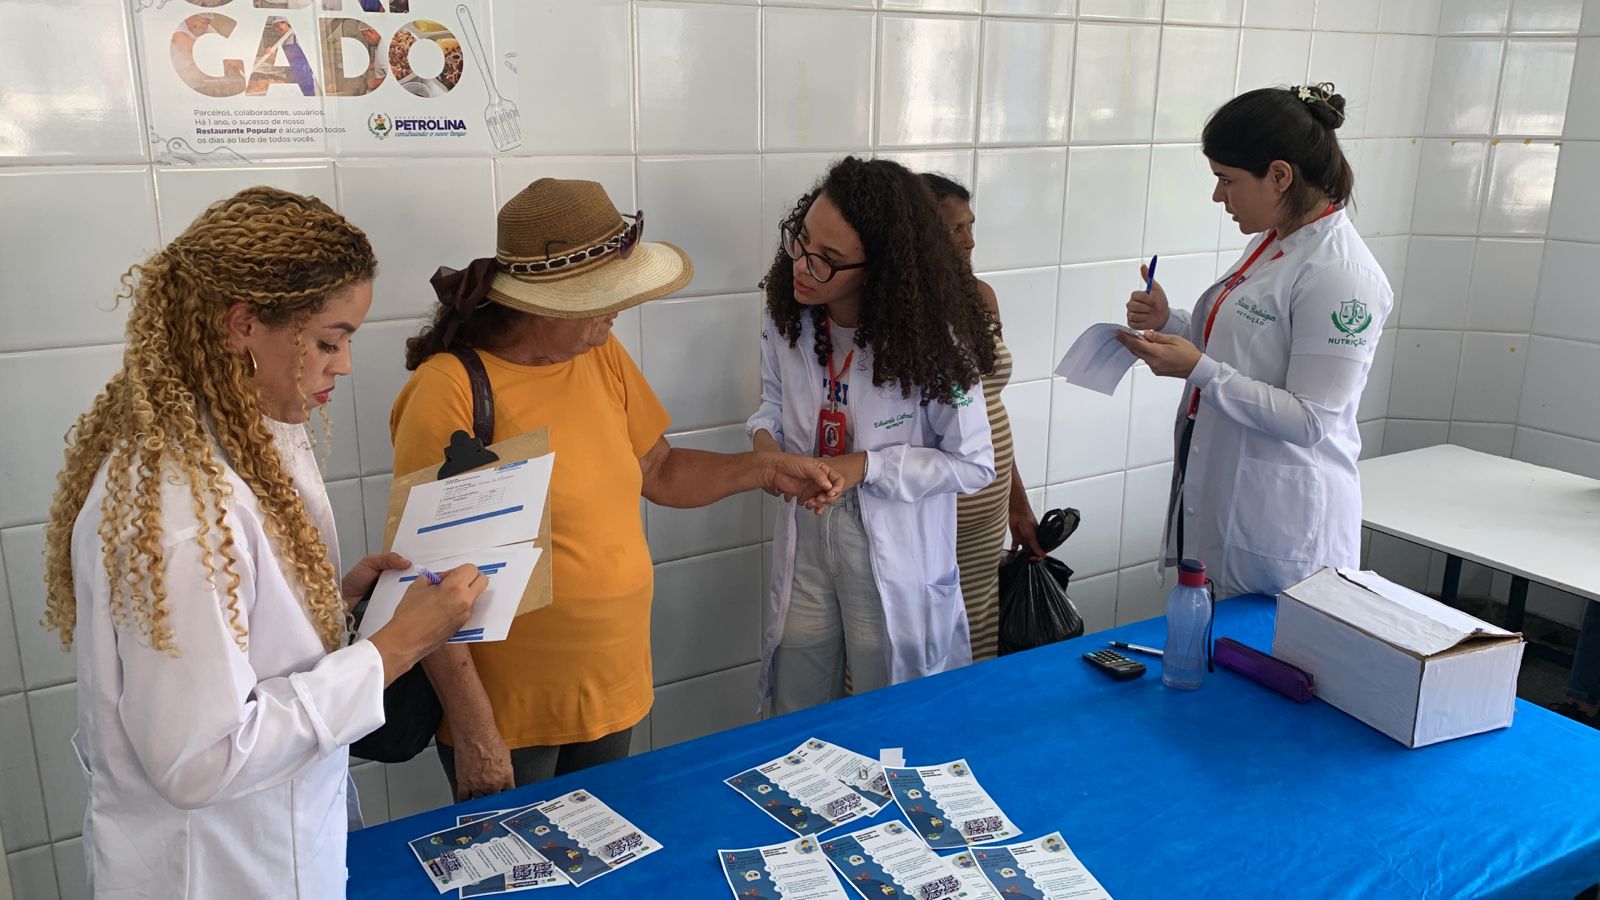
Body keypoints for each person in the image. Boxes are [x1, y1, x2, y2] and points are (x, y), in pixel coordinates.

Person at [40, 187, 486, 899]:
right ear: (242, 325)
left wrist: (329, 602)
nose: (341, 367)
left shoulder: (242, 437)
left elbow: (233, 632)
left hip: (273, 846)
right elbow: (201, 759)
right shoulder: (176, 506)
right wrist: (397, 647)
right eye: (327, 341)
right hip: (214, 871)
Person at [392, 179, 843, 800]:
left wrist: (765, 470)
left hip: (610, 687)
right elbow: (426, 580)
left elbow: (657, 470)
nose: (617, 311)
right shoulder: (449, 390)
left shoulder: (598, 355)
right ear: (540, 304)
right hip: (512, 714)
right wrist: (475, 731)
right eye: (601, 297)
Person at [1117, 83, 1393, 599]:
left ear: (1280, 176)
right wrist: (1171, 323)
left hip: (1284, 524)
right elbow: (1250, 346)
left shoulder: (1341, 276)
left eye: (1226, 180)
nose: (1218, 196)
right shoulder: (1275, 243)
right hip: (1231, 496)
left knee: (1266, 663)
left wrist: (1199, 369)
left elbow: (1311, 420)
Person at [749, 156, 997, 714]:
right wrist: (767, 454)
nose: (803, 266)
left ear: (880, 268)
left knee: (894, 715)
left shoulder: (934, 339)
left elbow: (975, 463)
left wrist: (868, 466)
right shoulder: (789, 316)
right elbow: (769, 404)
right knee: (797, 701)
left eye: (829, 260)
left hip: (890, 541)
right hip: (810, 531)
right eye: (801, 239)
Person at [923, 172, 1046, 662]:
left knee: (977, 632)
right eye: (955, 230)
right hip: (930, 506)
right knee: (916, 637)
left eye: (970, 226)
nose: (970, 240)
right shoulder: (889, 314)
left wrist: (1018, 503)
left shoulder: (980, 297)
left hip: (988, 502)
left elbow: (990, 408)